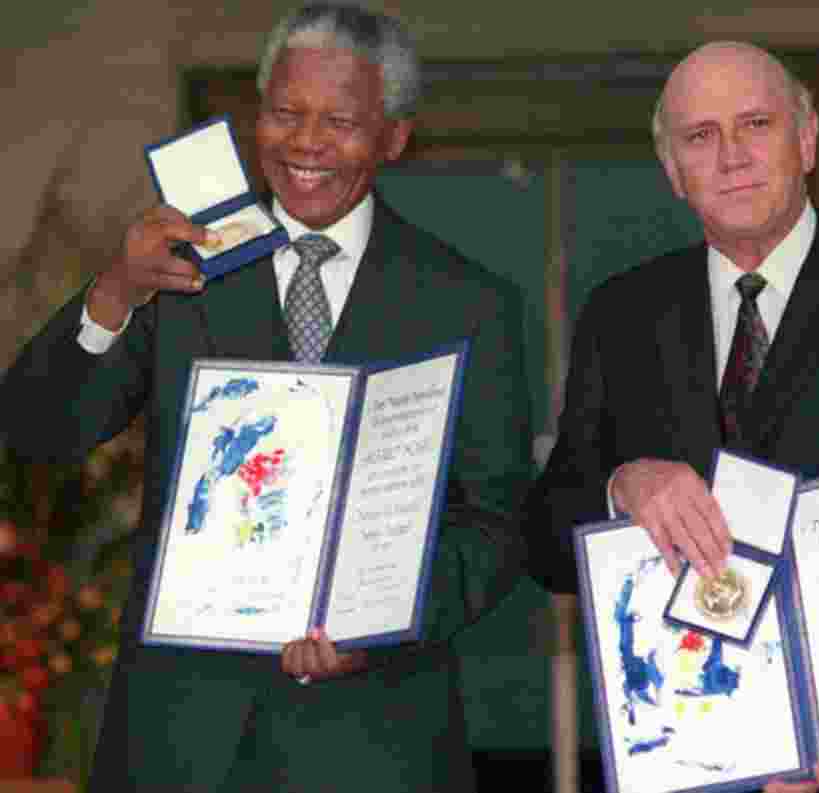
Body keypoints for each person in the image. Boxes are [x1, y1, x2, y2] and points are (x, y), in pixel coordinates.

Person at [1, 4, 533, 791]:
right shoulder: (178, 274)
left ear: (393, 137)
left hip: (374, 744)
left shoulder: (467, 304)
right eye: (284, 113)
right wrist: (115, 289)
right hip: (178, 743)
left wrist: (379, 623)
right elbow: (37, 428)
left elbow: (495, 522)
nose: (306, 142)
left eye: (341, 121)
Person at [524, 41, 819, 793]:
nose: (731, 157)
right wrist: (623, 483)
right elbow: (548, 536)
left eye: (755, 123)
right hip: (684, 763)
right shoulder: (622, 312)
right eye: (700, 137)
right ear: (673, 173)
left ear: (807, 140)